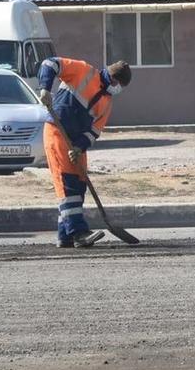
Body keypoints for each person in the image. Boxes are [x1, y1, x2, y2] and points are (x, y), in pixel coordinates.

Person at [36, 56, 132, 248]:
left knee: (79, 186)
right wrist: (45, 88)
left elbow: (93, 132)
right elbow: (50, 63)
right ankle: (79, 233)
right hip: (57, 132)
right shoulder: (83, 70)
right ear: (112, 78)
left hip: (76, 144)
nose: (117, 89)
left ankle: (65, 236)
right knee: (67, 184)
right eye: (118, 84)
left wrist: (80, 147)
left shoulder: (106, 102)